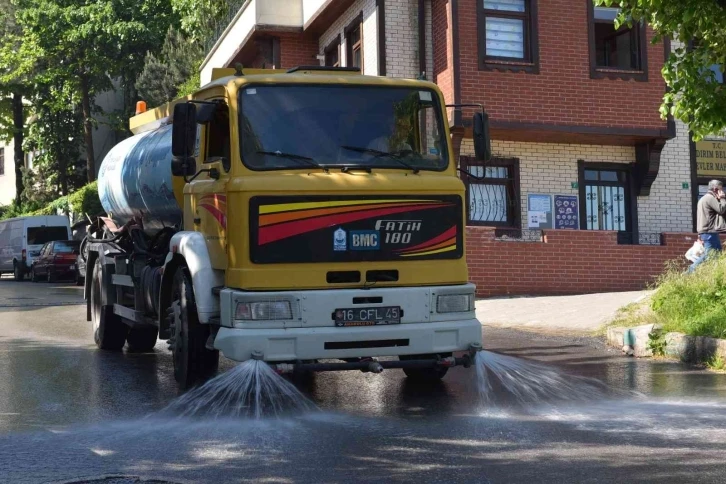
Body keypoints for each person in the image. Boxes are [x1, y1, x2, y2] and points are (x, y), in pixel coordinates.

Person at [689, 179, 726, 272]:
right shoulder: (709, 198)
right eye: (720, 190)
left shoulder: (703, 198)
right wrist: (722, 198)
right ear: (715, 189)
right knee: (710, 255)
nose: (722, 192)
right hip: (709, 232)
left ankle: (714, 275)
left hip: (708, 232)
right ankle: (690, 271)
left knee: (717, 254)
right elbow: (721, 209)